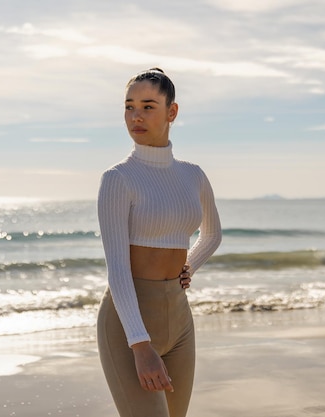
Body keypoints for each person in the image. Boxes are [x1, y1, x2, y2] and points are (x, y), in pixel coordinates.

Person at [97, 68, 222, 417]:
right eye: (129, 106)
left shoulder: (192, 175)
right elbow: (118, 270)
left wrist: (189, 266)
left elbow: (212, 235)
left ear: (172, 112)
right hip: (128, 324)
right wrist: (140, 345)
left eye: (148, 106)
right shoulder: (118, 179)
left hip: (179, 318)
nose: (136, 116)